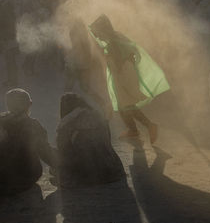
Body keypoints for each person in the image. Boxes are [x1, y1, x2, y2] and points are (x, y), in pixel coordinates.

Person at [89, 14, 170, 144]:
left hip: (123, 75)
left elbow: (117, 61)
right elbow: (129, 54)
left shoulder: (113, 43)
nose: (97, 36)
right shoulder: (116, 37)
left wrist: (108, 58)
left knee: (126, 105)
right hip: (125, 73)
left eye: (97, 33)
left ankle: (149, 126)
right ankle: (133, 129)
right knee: (123, 106)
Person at [0, 88, 57, 197]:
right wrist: (64, 166)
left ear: (8, 105)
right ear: (29, 104)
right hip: (27, 176)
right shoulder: (33, 125)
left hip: (1, 177)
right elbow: (46, 153)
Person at [56, 93, 125, 188]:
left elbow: (63, 152)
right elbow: (107, 144)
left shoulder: (66, 124)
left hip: (88, 174)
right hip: (112, 170)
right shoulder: (99, 117)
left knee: (57, 165)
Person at [64, 19, 107, 110]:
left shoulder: (80, 37)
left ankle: (67, 105)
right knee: (82, 87)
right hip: (81, 64)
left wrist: (71, 59)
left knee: (74, 86)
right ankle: (101, 102)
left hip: (78, 64)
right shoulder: (83, 38)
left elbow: (78, 50)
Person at [0, 0, 18, 87]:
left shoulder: (6, 15)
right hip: (11, 39)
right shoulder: (11, 15)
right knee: (11, 61)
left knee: (10, 61)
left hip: (8, 39)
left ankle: (12, 80)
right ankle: (13, 79)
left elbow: (3, 27)